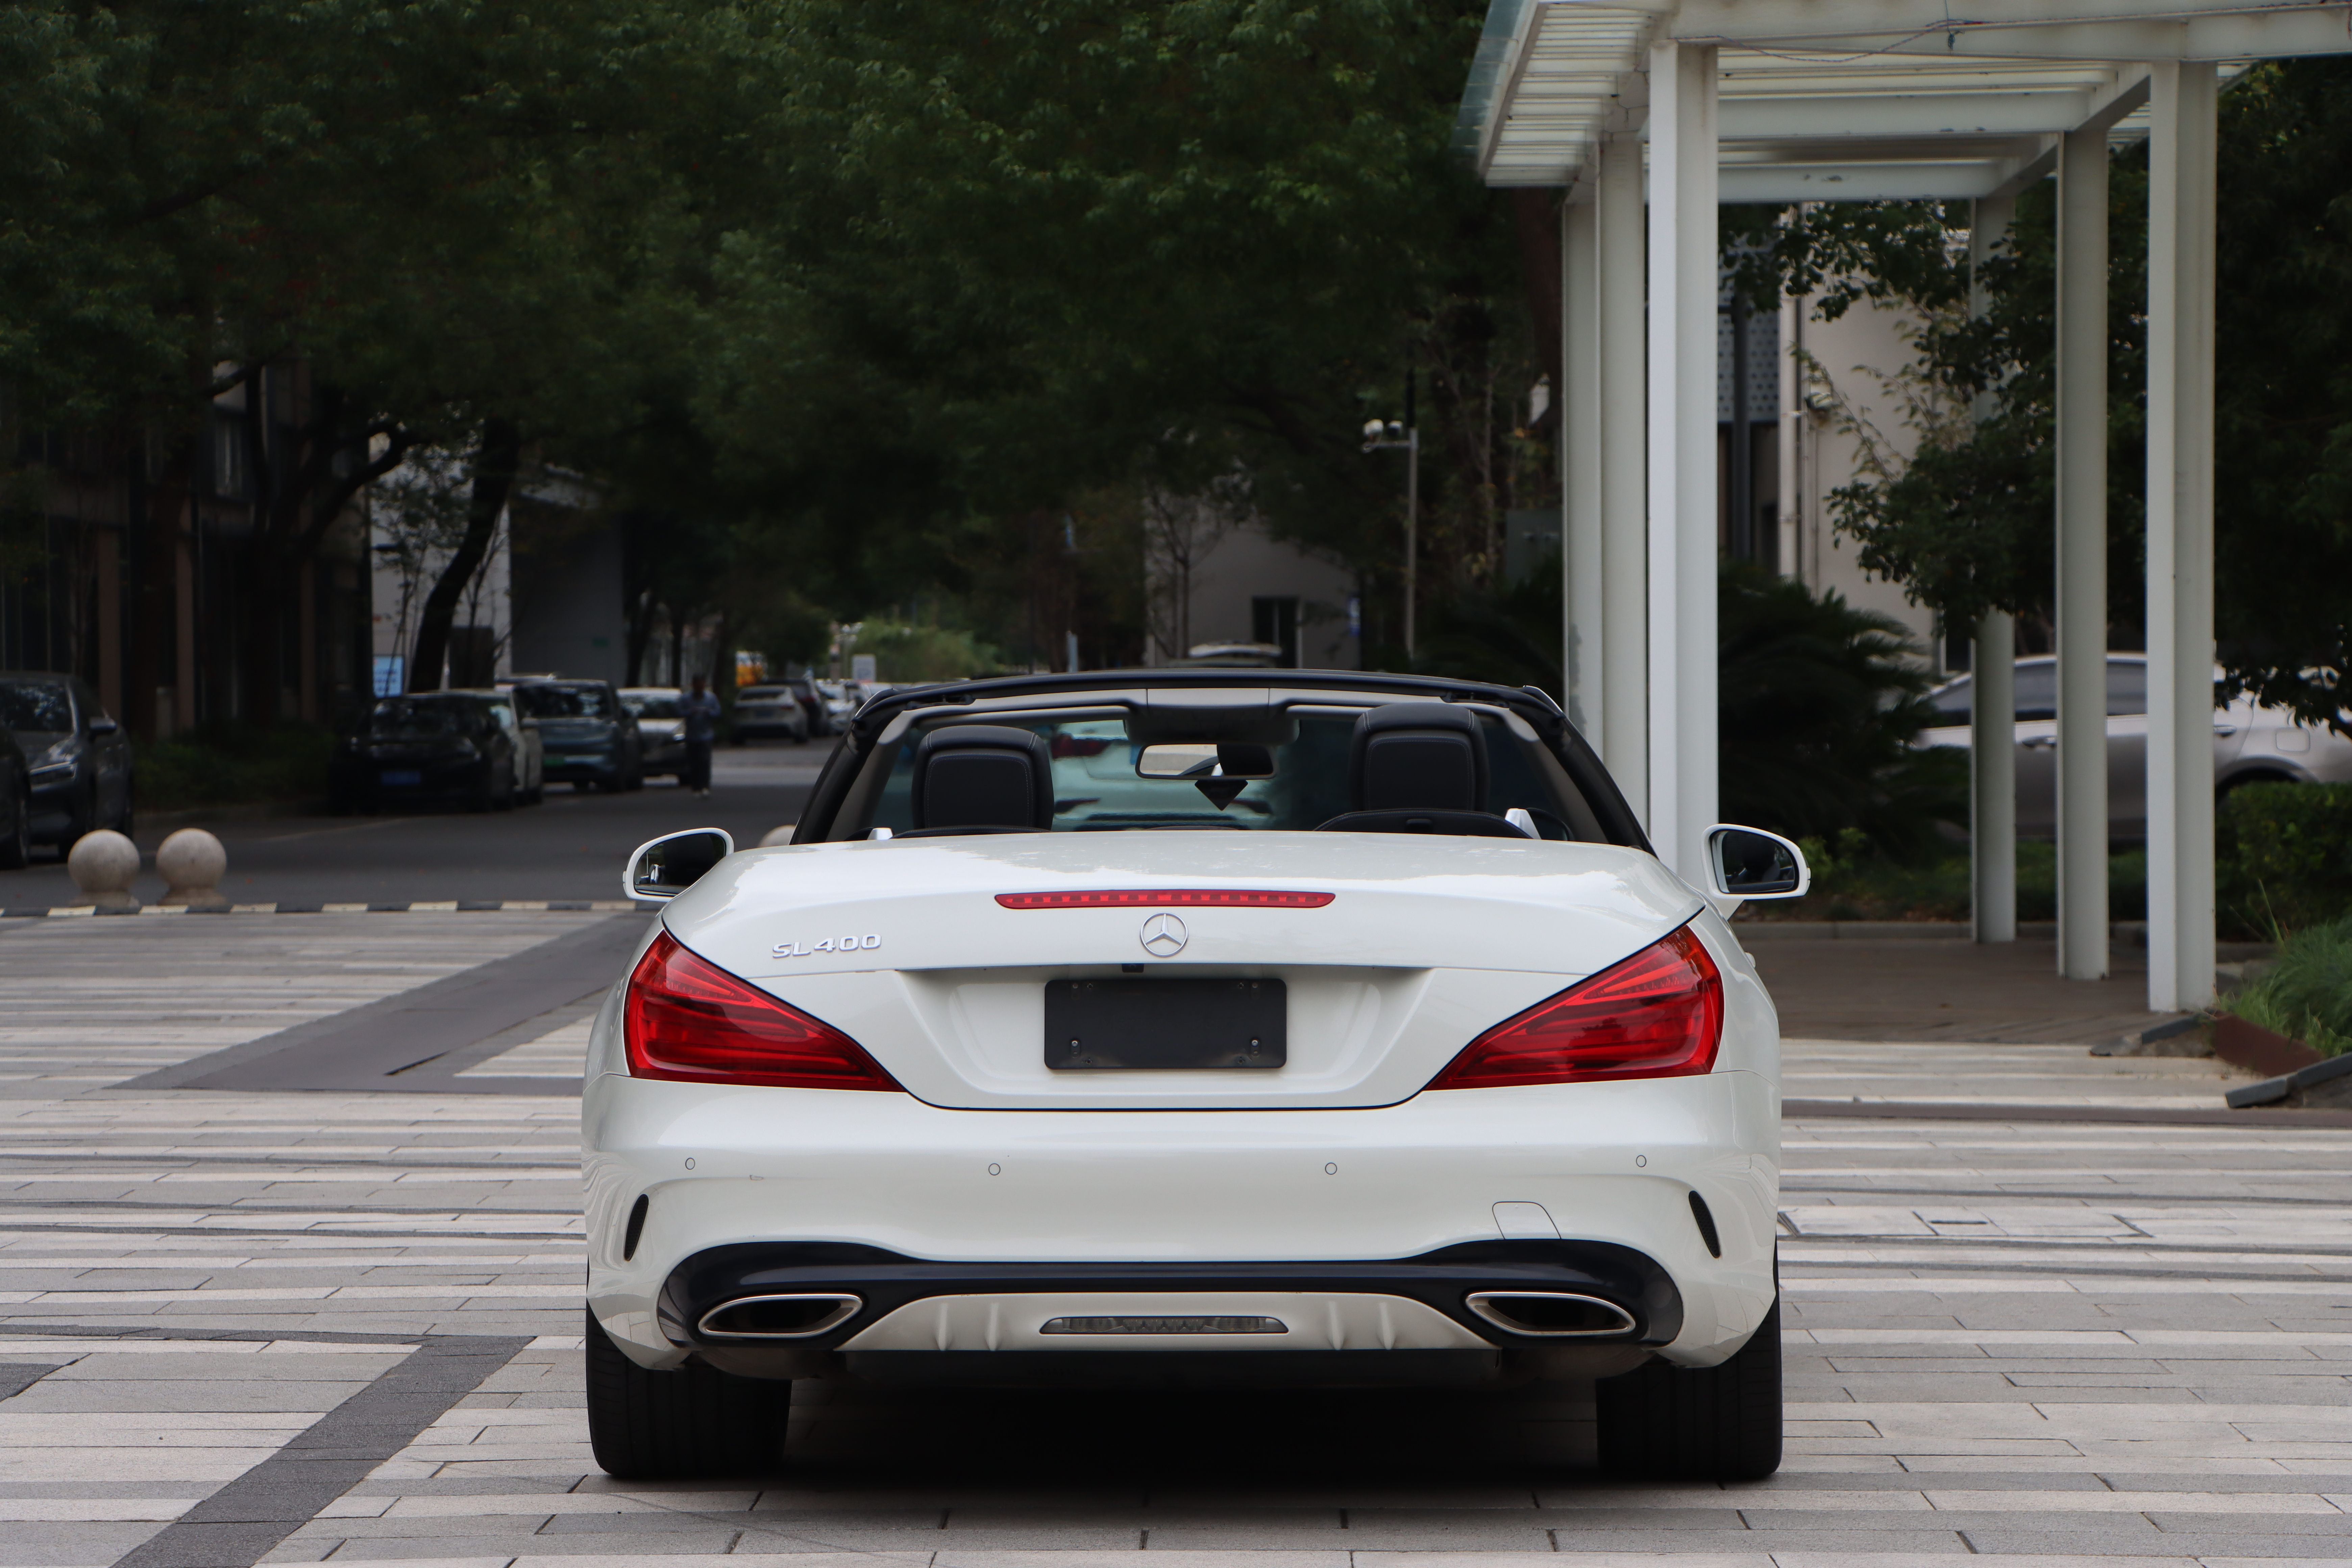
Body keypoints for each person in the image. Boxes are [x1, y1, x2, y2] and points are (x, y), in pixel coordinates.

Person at [681, 674, 721, 797]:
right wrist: (690, 712)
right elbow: (678, 711)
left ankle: (705, 786)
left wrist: (709, 712)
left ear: (704, 684)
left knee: (705, 761)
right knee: (694, 763)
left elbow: (718, 712)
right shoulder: (686, 699)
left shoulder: (711, 698)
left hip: (706, 735)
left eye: (701, 685)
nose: (699, 687)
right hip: (692, 736)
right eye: (697, 685)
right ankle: (696, 788)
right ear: (693, 685)